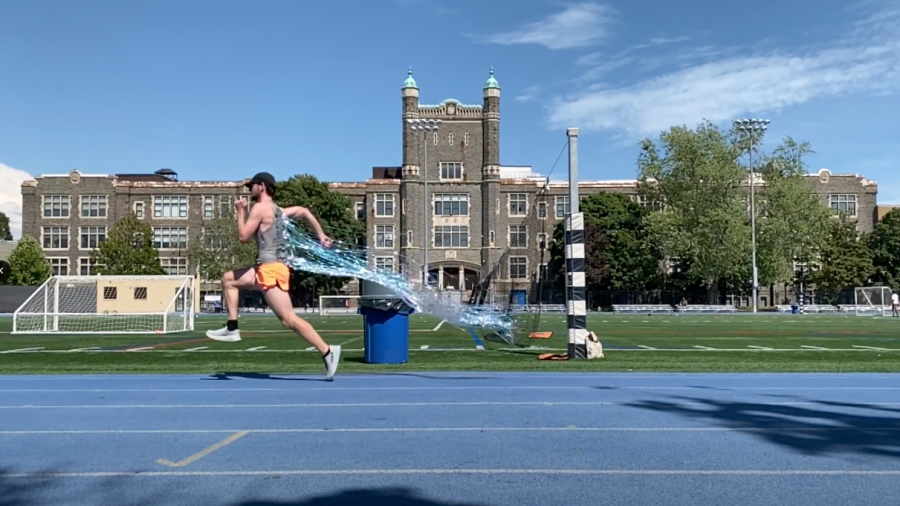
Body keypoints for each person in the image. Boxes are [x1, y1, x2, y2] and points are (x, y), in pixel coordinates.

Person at [205, 172, 341, 380]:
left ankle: (327, 351)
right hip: (266, 268)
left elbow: (243, 237)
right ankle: (232, 327)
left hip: (271, 270)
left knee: (288, 319)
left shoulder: (260, 208)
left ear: (262, 186)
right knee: (228, 279)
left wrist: (240, 212)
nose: (249, 190)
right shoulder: (278, 211)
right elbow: (303, 211)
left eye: (252, 186)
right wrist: (320, 234)